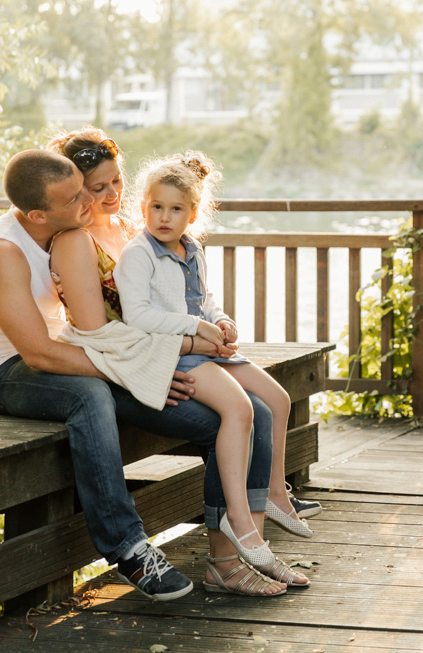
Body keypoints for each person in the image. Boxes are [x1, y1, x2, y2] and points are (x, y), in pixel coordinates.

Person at [0, 148, 278, 602]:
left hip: (82, 355)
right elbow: (37, 354)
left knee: (224, 420)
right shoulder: (2, 252)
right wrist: (139, 371)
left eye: (84, 190)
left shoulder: (73, 232)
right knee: (90, 396)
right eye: (74, 200)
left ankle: (226, 562)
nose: (88, 204)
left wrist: (168, 352)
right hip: (7, 373)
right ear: (36, 213)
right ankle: (127, 547)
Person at [46, 128, 309, 592]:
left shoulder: (136, 230)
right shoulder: (76, 241)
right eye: (97, 186)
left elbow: (193, 298)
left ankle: (244, 550)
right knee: (230, 417)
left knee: (265, 410)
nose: (110, 195)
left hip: (169, 352)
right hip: (127, 367)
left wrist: (215, 328)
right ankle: (230, 551)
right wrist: (188, 345)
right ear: (73, 189)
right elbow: (99, 330)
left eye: (116, 182)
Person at [112, 151, 315, 578]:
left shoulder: (192, 249)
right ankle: (238, 519)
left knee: (277, 400)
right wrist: (196, 327)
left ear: (193, 213)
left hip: (205, 345)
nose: (164, 217)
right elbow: (139, 316)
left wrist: (220, 321)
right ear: (142, 205)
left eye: (176, 209)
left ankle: (277, 493)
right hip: (176, 353)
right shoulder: (139, 254)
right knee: (241, 410)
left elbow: (206, 301)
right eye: (156, 206)